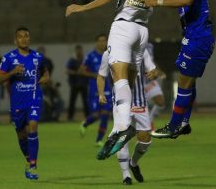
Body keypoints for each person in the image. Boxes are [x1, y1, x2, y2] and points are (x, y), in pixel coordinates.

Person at [66, 0, 176, 156]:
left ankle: (121, 128)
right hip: (142, 32)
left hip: (124, 27)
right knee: (129, 80)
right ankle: (120, 129)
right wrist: (154, 0)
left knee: (118, 78)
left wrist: (81, 7)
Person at [140, 0, 215, 139]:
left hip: (198, 38)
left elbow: (186, 0)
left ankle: (174, 126)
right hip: (192, 37)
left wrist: (155, 1)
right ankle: (183, 123)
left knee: (184, 81)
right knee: (188, 81)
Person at [96, 48, 162, 184]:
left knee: (145, 141)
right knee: (122, 135)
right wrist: (101, 93)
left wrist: (153, 73)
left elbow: (154, 70)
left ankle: (133, 163)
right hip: (120, 101)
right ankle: (126, 176)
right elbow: (101, 75)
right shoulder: (108, 54)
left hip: (139, 102)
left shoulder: (141, 51)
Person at [0, 27, 50, 180]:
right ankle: (27, 159)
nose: (24, 39)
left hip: (34, 98)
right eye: (20, 36)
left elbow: (45, 72)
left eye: (26, 36)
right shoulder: (8, 58)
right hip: (17, 103)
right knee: (21, 134)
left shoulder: (38, 57)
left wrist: (46, 78)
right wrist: (12, 72)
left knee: (33, 126)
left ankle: (33, 165)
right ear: (15, 40)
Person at [79, 34, 112, 147]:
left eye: (104, 41)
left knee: (106, 114)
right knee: (96, 115)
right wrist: (96, 75)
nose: (103, 43)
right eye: (100, 41)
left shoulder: (110, 55)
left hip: (107, 88)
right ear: (96, 42)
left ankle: (98, 140)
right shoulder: (90, 56)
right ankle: (85, 123)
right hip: (94, 88)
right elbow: (82, 71)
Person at [66, 45, 89, 121]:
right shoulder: (72, 60)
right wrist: (76, 72)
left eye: (80, 50)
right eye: (77, 50)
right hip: (74, 84)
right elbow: (67, 70)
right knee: (72, 101)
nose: (79, 52)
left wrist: (83, 72)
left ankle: (88, 117)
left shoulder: (85, 60)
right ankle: (70, 117)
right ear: (75, 51)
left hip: (84, 84)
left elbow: (88, 69)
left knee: (86, 102)